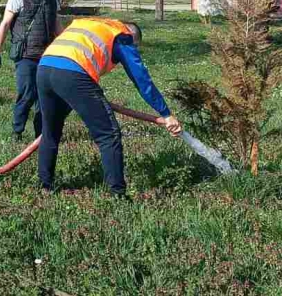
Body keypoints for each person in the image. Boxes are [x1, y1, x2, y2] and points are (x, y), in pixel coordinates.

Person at [36, 18, 183, 197]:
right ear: (133, 37)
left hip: (44, 68)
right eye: (135, 47)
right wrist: (166, 113)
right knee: (108, 134)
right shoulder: (122, 36)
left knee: (50, 131)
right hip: (72, 73)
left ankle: (45, 187)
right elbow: (142, 80)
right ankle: (117, 195)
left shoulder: (93, 24)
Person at [0, 0, 59, 140]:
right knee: (27, 94)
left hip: (47, 56)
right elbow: (5, 24)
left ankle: (40, 135)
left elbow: (57, 26)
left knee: (45, 97)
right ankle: (17, 132)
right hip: (25, 56)